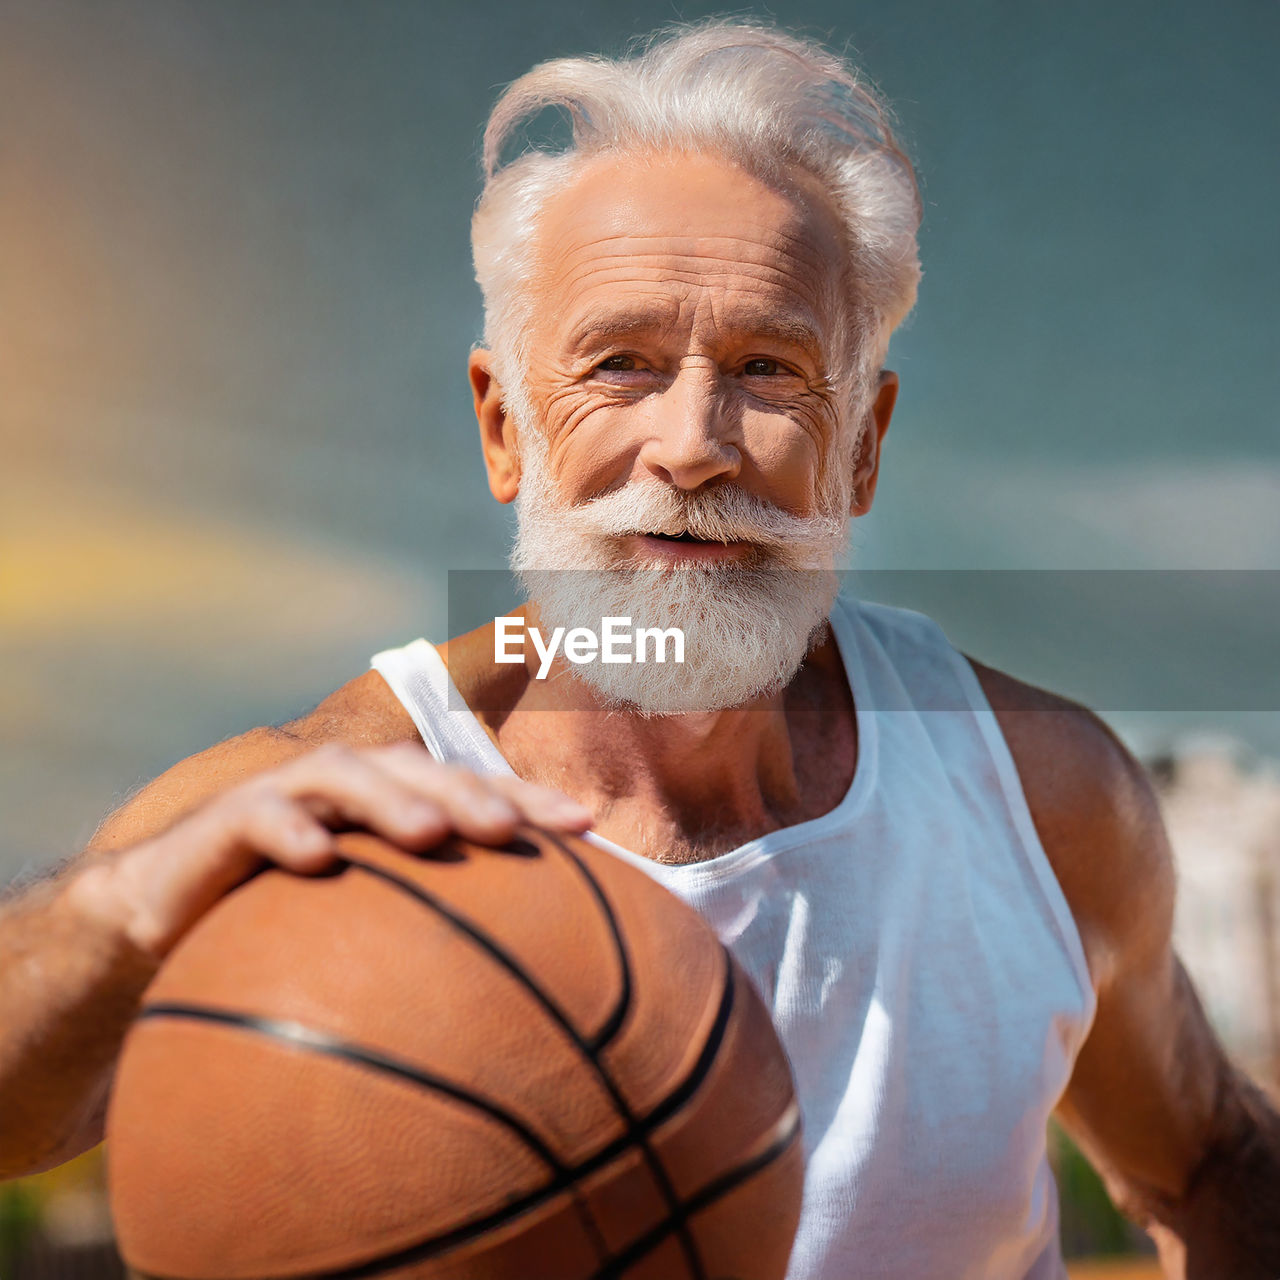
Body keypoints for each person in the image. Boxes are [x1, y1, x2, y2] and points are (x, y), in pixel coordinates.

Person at [2, 19, 1277, 1280]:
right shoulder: (318, 820)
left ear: (865, 445)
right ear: (503, 427)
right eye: (619, 364)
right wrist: (114, 921)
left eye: (770, 370)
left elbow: (1214, 1155)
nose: (692, 443)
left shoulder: (1042, 793)